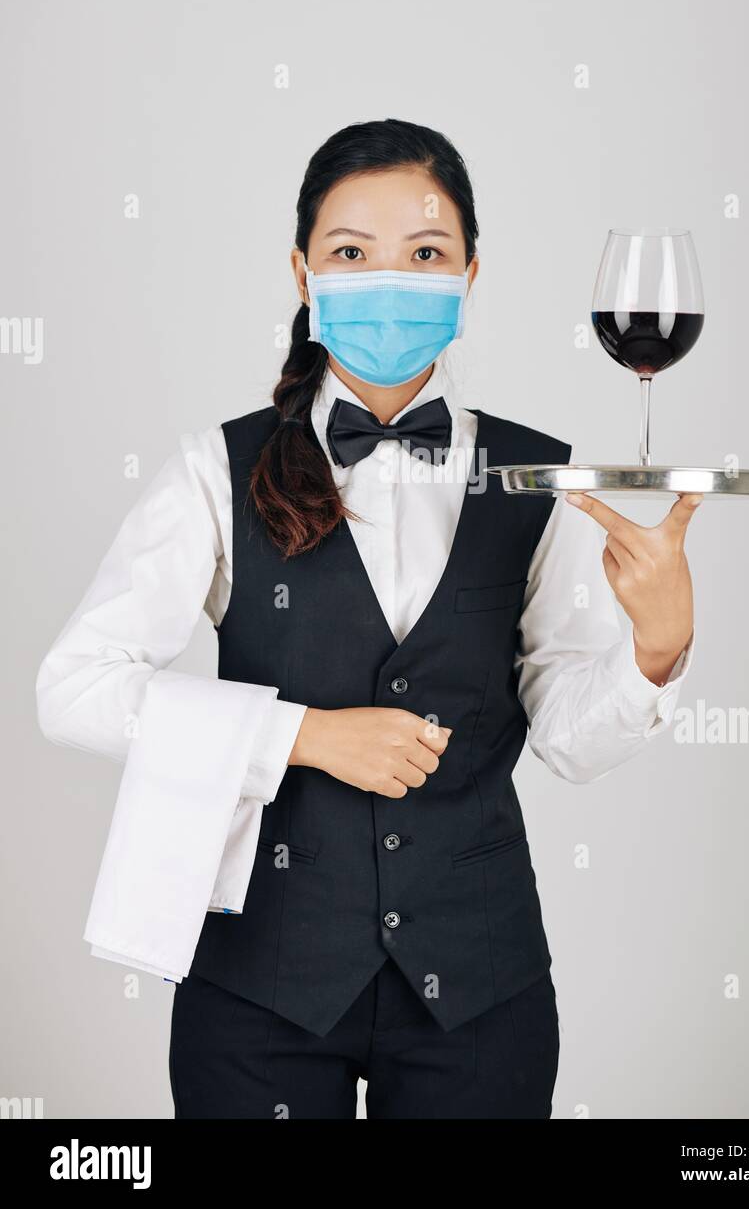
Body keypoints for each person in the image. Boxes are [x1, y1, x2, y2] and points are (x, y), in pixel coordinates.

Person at [36, 118, 700, 1119]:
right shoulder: (213, 470)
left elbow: (564, 736)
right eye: (351, 252)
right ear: (302, 273)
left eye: (424, 253)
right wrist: (298, 734)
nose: (389, 279)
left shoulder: (534, 473)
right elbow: (71, 689)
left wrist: (656, 648)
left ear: (470, 273)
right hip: (257, 988)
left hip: (480, 992)